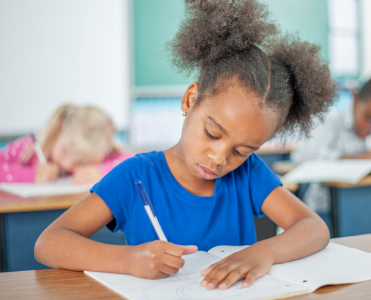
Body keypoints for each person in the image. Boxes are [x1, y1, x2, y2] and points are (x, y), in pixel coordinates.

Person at [35, 0, 336, 291]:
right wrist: (128, 260)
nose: (219, 159)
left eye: (241, 151)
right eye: (213, 133)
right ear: (190, 99)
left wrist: (263, 253)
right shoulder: (135, 175)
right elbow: (49, 243)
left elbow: (313, 227)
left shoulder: (249, 175)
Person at [291, 75, 371, 226]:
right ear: (355, 101)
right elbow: (301, 154)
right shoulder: (333, 123)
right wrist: (354, 158)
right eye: (368, 117)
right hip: (326, 211)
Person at [0, 104, 133, 185]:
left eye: (82, 161)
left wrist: (101, 172)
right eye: (66, 150)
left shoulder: (98, 151)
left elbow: (133, 164)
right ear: (58, 133)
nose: (69, 163)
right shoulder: (29, 149)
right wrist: (32, 176)